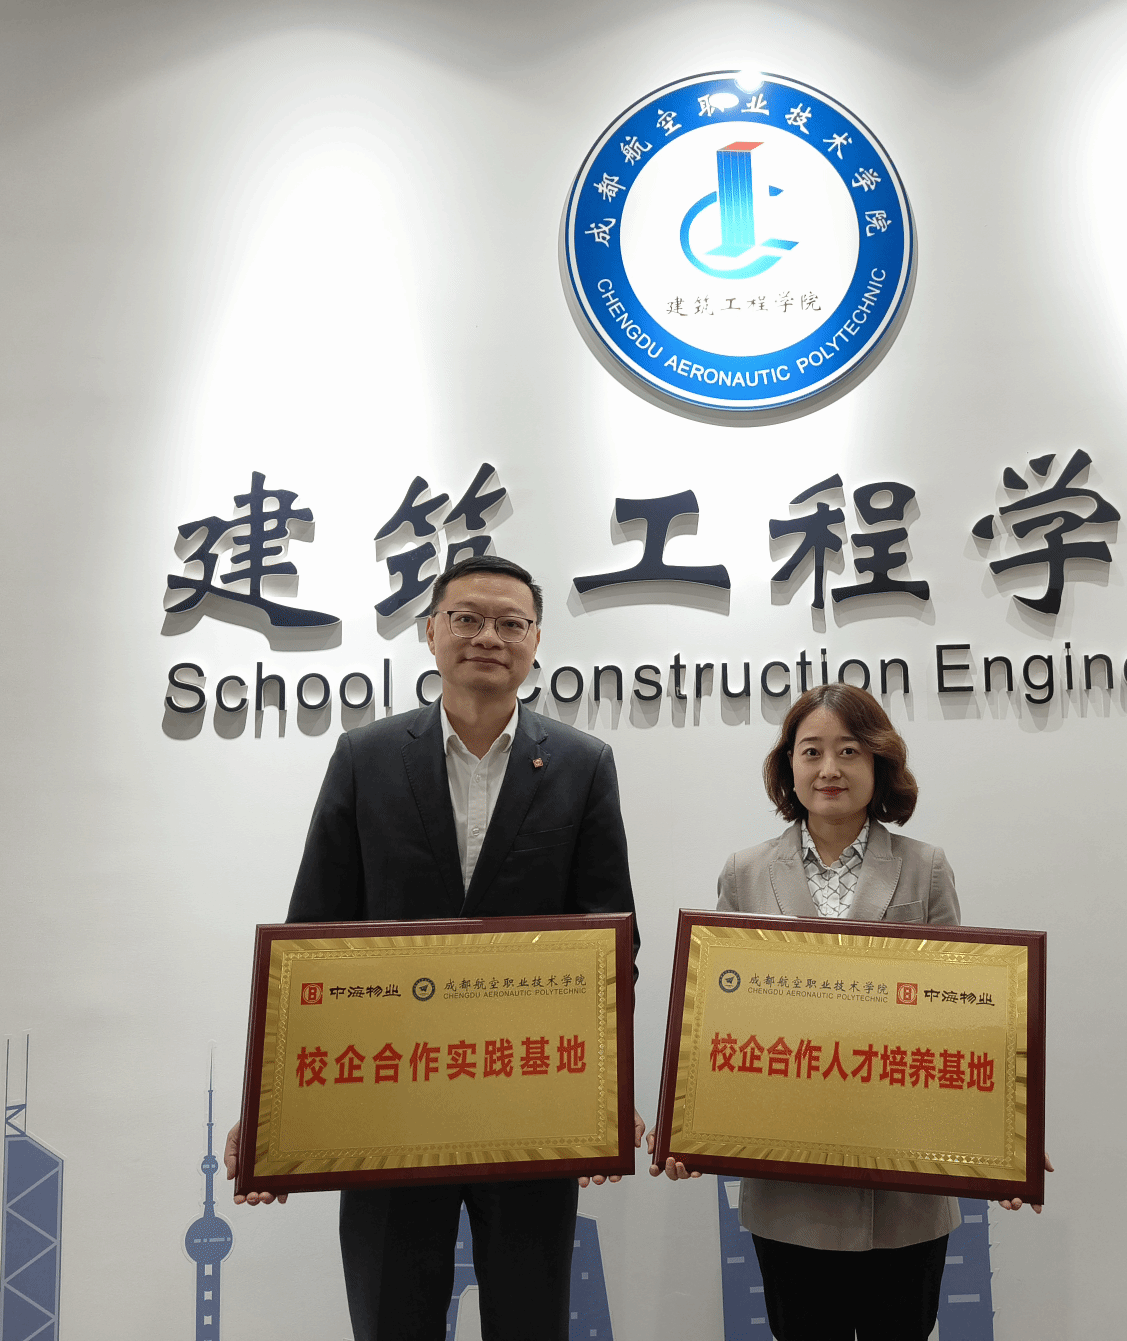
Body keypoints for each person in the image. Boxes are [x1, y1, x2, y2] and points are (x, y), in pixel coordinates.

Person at [223, 553, 642, 1341]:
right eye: (467, 619)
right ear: (430, 632)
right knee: (392, 1317)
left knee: (530, 1318)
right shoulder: (366, 758)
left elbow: (609, 945)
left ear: (536, 640)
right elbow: (313, 937)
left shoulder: (583, 765)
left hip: (527, 1095)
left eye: (511, 623)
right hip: (390, 1096)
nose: (489, 637)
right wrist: (271, 1107)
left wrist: (602, 1098)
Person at [651, 684, 1048, 1341]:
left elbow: (962, 1015)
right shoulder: (745, 871)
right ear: (789, 766)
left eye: (849, 751)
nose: (829, 768)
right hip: (790, 1195)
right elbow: (721, 1017)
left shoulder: (925, 867)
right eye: (811, 751)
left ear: (878, 763)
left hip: (905, 1190)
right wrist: (687, 1129)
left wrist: (1005, 1136)